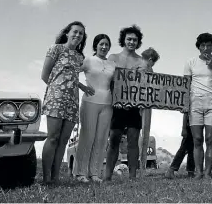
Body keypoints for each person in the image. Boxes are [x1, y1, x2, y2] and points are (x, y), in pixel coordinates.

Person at [40, 21, 94, 185]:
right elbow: (45, 75)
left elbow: (71, 76)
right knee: (53, 138)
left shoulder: (79, 57)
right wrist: (57, 91)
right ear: (67, 33)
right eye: (75, 32)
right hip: (56, 99)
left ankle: (56, 178)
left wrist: (82, 86)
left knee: (63, 140)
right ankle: (46, 178)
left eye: (81, 34)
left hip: (72, 101)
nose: (78, 35)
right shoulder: (55, 49)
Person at [184, 33, 212, 179]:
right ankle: (198, 172)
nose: (205, 48)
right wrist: (184, 105)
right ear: (198, 47)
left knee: (210, 138)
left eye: (208, 45)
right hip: (195, 103)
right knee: (197, 139)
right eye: (202, 45)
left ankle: (208, 173)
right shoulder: (190, 62)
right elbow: (185, 85)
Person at [72, 34, 116, 183]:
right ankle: (80, 173)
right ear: (96, 45)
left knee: (101, 139)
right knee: (87, 137)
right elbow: (71, 73)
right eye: (101, 44)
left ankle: (95, 173)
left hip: (107, 104)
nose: (104, 47)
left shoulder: (112, 64)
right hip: (90, 102)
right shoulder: (89, 60)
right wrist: (82, 86)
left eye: (106, 44)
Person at [104, 25, 145, 180]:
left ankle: (133, 177)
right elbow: (107, 80)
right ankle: (107, 176)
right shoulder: (113, 58)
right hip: (117, 105)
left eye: (135, 39)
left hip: (134, 106)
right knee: (114, 139)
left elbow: (149, 83)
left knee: (133, 141)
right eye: (129, 39)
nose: (132, 42)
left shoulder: (142, 61)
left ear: (138, 42)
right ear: (123, 40)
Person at [137, 47, 160, 176]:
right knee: (143, 133)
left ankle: (142, 166)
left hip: (146, 102)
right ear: (151, 60)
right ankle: (141, 166)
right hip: (140, 104)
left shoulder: (147, 69)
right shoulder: (142, 68)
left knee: (144, 133)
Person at [165, 113, 195, 179]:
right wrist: (184, 128)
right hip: (190, 124)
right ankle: (171, 170)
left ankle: (191, 171)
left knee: (192, 149)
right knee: (184, 147)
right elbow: (186, 112)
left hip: (195, 123)